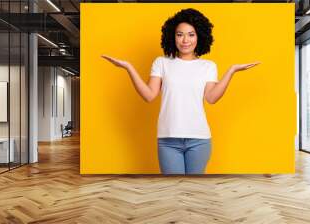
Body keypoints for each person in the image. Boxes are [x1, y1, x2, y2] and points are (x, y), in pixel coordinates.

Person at [102, 8, 259, 175]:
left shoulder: (208, 66)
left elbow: (211, 98)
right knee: (173, 192)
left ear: (199, 37)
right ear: (172, 36)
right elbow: (149, 95)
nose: (185, 40)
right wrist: (129, 68)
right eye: (180, 34)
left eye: (191, 34)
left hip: (199, 139)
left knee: (195, 193)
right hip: (168, 139)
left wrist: (231, 71)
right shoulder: (161, 63)